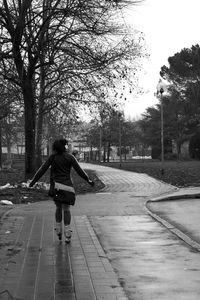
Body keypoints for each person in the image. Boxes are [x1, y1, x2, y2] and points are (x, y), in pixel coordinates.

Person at [29, 138, 94, 243]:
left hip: (56, 187)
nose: (68, 146)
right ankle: (67, 232)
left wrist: (32, 182)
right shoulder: (70, 157)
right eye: (67, 145)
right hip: (67, 186)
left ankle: (58, 230)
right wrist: (89, 180)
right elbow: (80, 171)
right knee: (66, 209)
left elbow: (42, 170)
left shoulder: (52, 158)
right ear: (64, 146)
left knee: (58, 207)